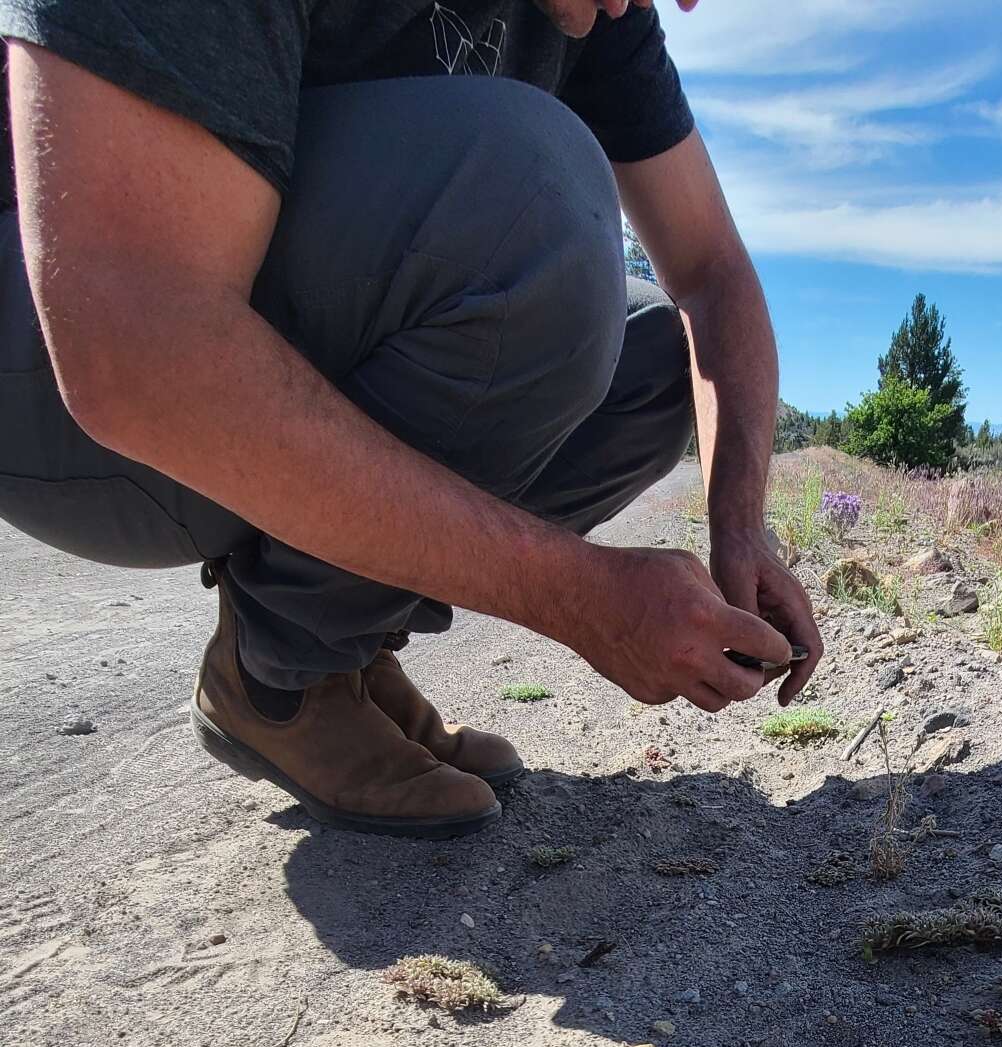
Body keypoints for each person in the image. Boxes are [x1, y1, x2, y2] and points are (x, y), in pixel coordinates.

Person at [0, 0, 823, 836]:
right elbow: (131, 351)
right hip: (60, 372)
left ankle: (325, 648)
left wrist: (741, 528)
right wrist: (587, 601)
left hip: (205, 344)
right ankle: (278, 683)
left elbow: (711, 273)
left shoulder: (604, 16)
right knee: (528, 193)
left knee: (646, 358)